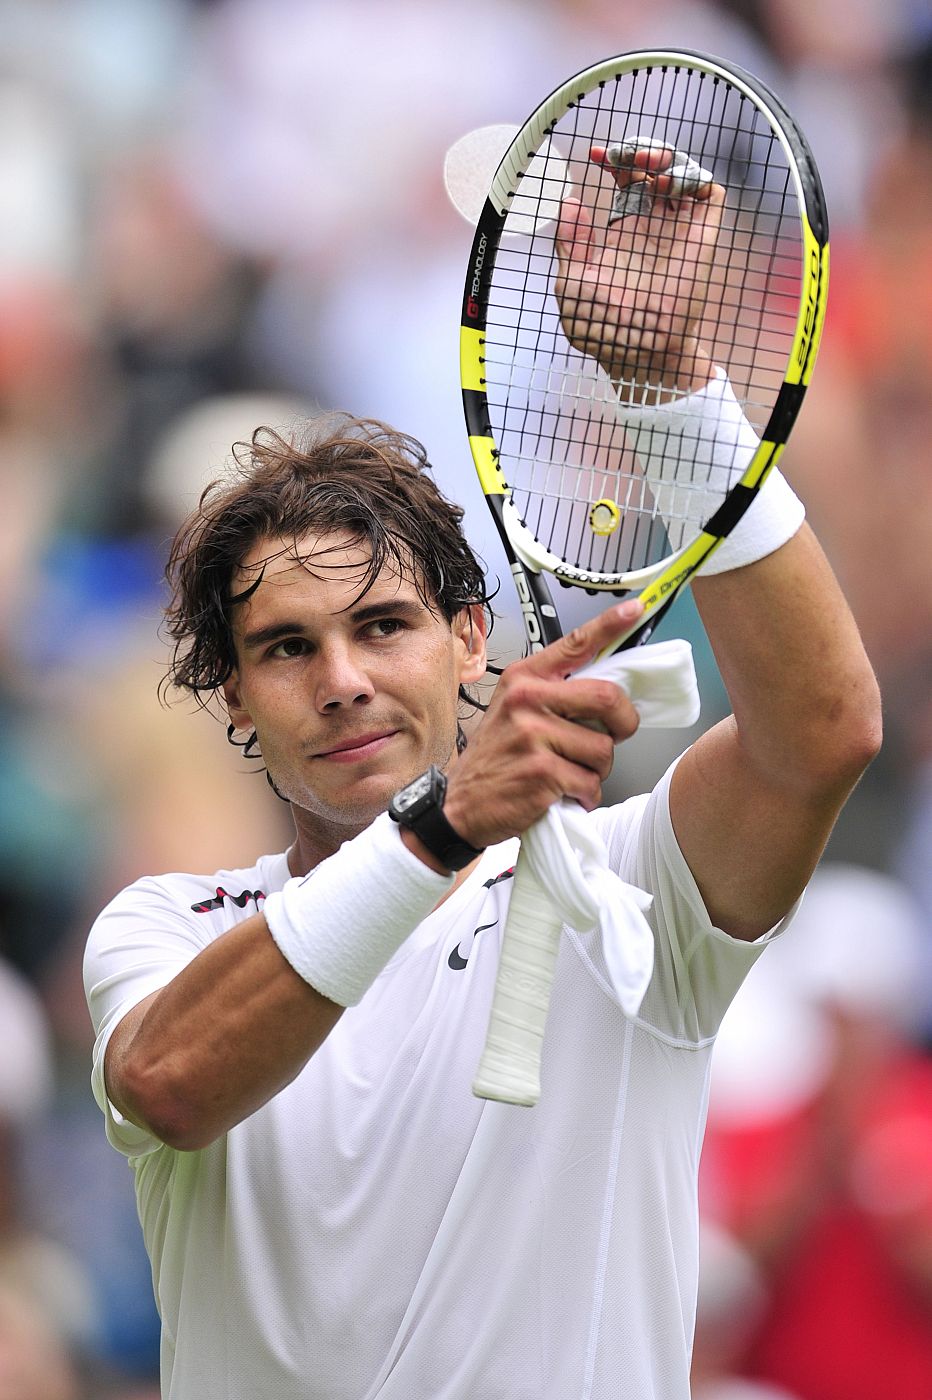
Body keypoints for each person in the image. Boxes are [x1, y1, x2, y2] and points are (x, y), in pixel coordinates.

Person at [83, 147, 882, 1400]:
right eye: (286, 648)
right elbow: (169, 1084)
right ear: (233, 699)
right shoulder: (168, 929)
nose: (342, 678)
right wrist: (440, 825)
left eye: (383, 626)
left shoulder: (628, 889)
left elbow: (821, 731)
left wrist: (666, 386)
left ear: (468, 640)